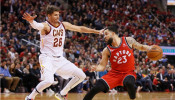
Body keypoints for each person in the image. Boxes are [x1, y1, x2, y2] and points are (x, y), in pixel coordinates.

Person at [22, 5, 102, 100]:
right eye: (55, 15)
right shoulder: (46, 26)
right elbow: (37, 26)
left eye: (58, 14)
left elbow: (80, 28)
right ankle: (30, 97)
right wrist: (31, 21)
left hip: (60, 59)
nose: (57, 17)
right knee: (49, 81)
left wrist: (97, 31)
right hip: (47, 58)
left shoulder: (64, 24)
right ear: (49, 16)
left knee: (81, 75)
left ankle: (62, 93)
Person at [83, 26, 153, 100]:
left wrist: (149, 48)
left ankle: (133, 99)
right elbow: (102, 66)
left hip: (128, 73)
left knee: (129, 82)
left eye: (106, 34)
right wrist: (96, 68)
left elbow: (141, 47)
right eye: (104, 35)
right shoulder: (106, 50)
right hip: (114, 74)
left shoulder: (128, 40)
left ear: (113, 33)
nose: (104, 37)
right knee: (96, 87)